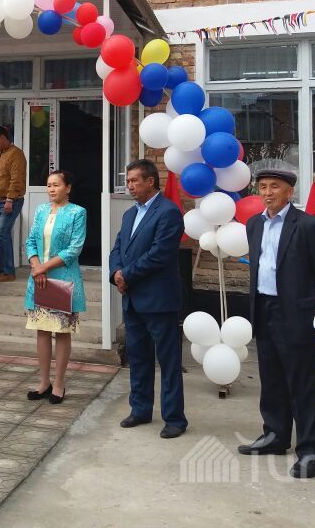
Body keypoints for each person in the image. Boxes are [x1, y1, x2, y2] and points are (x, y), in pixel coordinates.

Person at [239, 169, 315, 479]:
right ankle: (275, 435)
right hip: (263, 308)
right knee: (271, 378)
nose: (267, 193)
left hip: (296, 313)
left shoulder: (308, 226)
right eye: (263, 187)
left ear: (289, 192)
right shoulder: (254, 224)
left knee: (303, 384)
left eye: (274, 187)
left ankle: (310, 450)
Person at [109, 160, 187, 438]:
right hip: (132, 298)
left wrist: (127, 275)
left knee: (168, 362)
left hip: (158, 300)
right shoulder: (130, 214)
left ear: (150, 181)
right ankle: (140, 409)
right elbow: (118, 247)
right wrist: (115, 273)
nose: (129, 186)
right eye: (128, 181)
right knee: (138, 358)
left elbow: (160, 253)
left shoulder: (168, 212)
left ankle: (174, 418)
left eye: (134, 181)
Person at [24, 171, 87, 404]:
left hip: (63, 279)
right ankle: (44, 382)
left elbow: (74, 249)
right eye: (49, 185)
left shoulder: (77, 212)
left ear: (67, 188)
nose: (51, 189)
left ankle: (59, 384)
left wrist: (44, 268)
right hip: (38, 278)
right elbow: (31, 240)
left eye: (56, 185)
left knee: (61, 331)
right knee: (41, 330)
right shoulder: (41, 210)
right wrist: (36, 266)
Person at [0, 126, 26, 282]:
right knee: (1, 235)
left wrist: (9, 200)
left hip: (10, 201)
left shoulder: (16, 154)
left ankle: (8, 272)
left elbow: (16, 180)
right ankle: (3, 271)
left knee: (2, 233)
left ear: (2, 137)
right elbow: (1, 179)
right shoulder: (0, 155)